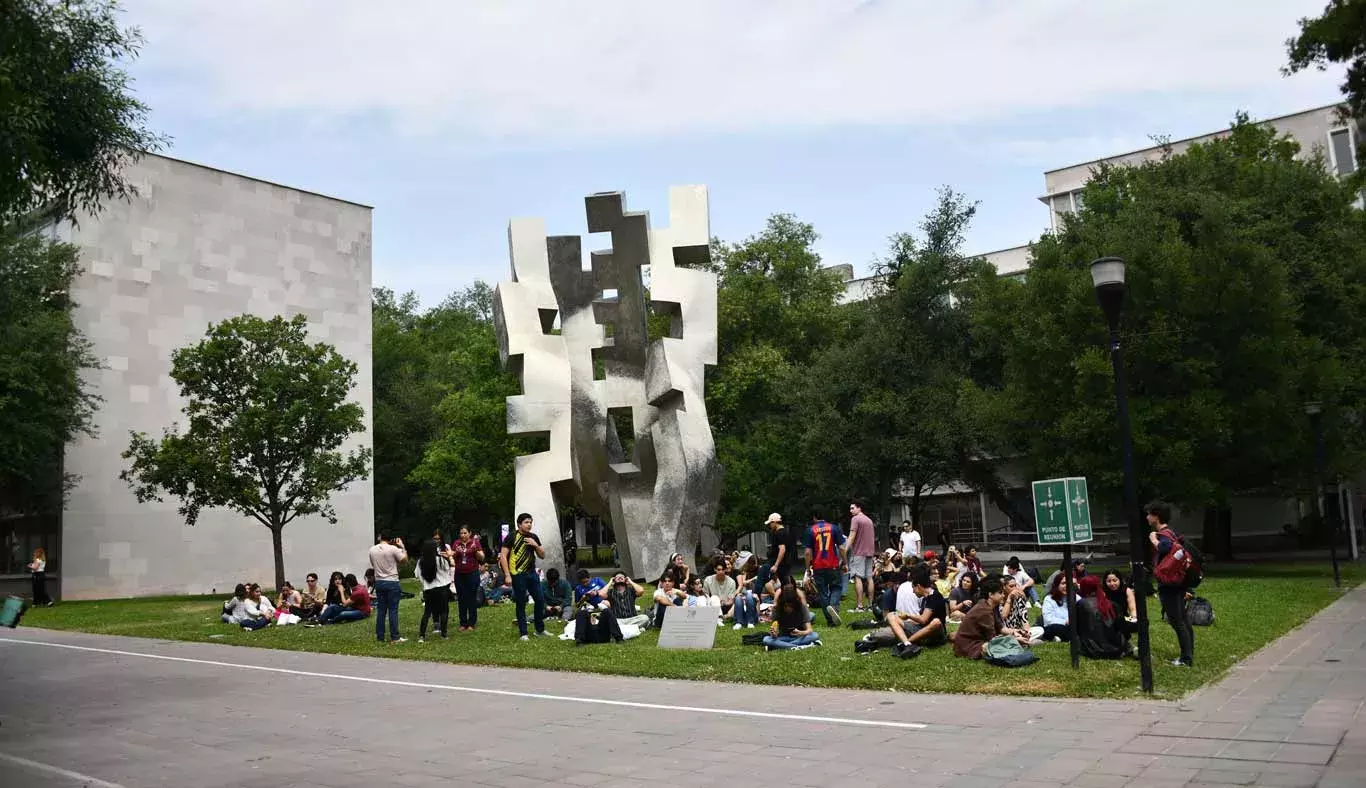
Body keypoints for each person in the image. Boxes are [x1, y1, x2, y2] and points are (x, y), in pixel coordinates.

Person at [1148, 500, 1194, 667]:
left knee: (1176, 620)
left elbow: (1164, 549)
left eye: (1149, 514)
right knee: (1183, 617)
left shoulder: (1163, 535)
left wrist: (1153, 539)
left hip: (1169, 583)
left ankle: (1186, 658)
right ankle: (1189, 653)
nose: (1147, 517)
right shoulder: (1172, 533)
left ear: (1156, 516)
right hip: (1178, 581)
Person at [952, 576, 1028, 658]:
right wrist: (1014, 640)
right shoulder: (984, 610)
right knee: (993, 646)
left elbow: (1000, 627)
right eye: (1000, 593)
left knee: (1010, 642)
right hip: (969, 646)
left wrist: (1015, 632)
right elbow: (993, 639)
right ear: (991, 595)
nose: (1003, 595)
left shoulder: (989, 605)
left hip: (979, 641)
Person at [500, 513, 548, 641]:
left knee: (540, 600)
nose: (529, 525)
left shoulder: (533, 537)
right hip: (517, 574)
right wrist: (507, 575)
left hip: (532, 573)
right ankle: (523, 633)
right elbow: (503, 555)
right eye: (526, 522)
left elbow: (542, 555)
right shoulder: (512, 537)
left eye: (531, 522)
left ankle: (540, 629)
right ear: (519, 524)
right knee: (521, 603)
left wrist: (535, 545)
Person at [804, 512, 847, 627]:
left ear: (814, 517)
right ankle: (833, 606)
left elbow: (808, 552)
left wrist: (808, 569)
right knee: (837, 587)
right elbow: (842, 548)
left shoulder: (810, 530)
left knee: (822, 593)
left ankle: (830, 620)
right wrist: (845, 563)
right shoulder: (834, 528)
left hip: (818, 566)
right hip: (832, 564)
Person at [368, 534, 408, 644]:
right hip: (392, 581)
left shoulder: (372, 550)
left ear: (380, 537)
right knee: (393, 610)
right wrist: (402, 547)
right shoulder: (393, 549)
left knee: (381, 610)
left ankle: (380, 636)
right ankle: (394, 637)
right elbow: (404, 561)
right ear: (390, 538)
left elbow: (373, 565)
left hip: (379, 582)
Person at [763, 579, 820, 650]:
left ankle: (783, 646)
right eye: (785, 606)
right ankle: (797, 646)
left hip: (798, 636)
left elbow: (809, 630)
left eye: (791, 606)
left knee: (815, 635)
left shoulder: (802, 607)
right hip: (783, 636)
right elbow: (775, 632)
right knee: (766, 639)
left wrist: (801, 633)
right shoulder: (776, 609)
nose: (788, 608)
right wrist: (774, 634)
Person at [1076, 575, 1125, 659]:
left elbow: (1076, 628)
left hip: (1093, 650)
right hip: (1116, 650)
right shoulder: (1111, 604)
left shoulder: (1081, 604)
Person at [417, 536, 453, 641]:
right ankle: (444, 634)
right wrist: (449, 557)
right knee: (444, 611)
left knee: (427, 612)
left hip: (428, 589)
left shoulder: (421, 562)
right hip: (442, 588)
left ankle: (422, 636)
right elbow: (448, 570)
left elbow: (417, 575)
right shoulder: (441, 560)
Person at [451, 526, 485, 631]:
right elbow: (451, 557)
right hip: (459, 574)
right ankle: (463, 623)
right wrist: (456, 552)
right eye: (461, 533)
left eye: (465, 533)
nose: (463, 535)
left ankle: (471, 623)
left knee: (471, 598)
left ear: (469, 533)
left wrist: (476, 551)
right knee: (461, 598)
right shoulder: (456, 543)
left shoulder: (475, 543)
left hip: (472, 573)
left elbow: (482, 558)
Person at [847, 500, 877, 613]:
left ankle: (859, 606)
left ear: (859, 508)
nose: (851, 511)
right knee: (869, 578)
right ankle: (870, 605)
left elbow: (851, 536)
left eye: (852, 508)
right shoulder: (869, 520)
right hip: (870, 552)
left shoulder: (855, 519)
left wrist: (844, 550)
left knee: (857, 577)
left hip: (858, 553)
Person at [702, 561, 739, 626]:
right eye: (718, 570)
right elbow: (705, 595)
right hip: (713, 605)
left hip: (726, 606)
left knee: (738, 600)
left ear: (725, 570)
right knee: (714, 598)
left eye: (723, 570)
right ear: (715, 569)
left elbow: (731, 601)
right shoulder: (708, 580)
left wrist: (724, 602)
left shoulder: (731, 582)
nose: (721, 572)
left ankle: (721, 617)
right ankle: (718, 618)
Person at [1040, 573, 1073, 642]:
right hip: (1054, 626)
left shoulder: (1074, 597)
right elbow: (1048, 620)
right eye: (1063, 583)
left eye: (1068, 583)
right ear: (1057, 585)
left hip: (1071, 626)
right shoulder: (1049, 599)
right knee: (1055, 627)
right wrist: (1065, 622)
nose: (1066, 586)